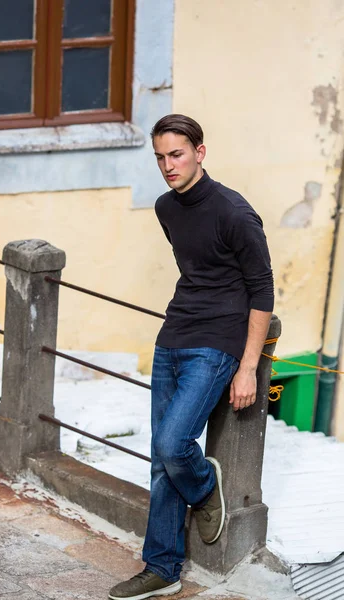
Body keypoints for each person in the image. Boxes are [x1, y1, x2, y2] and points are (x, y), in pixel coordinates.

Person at [108, 114, 274, 600]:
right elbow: (197, 272)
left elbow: (262, 291)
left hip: (217, 343)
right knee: (161, 455)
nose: (167, 165)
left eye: (176, 154)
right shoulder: (166, 207)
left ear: (200, 152)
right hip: (173, 336)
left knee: (174, 444)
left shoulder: (234, 213)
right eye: (159, 157)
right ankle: (162, 567)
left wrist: (246, 367)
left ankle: (204, 489)